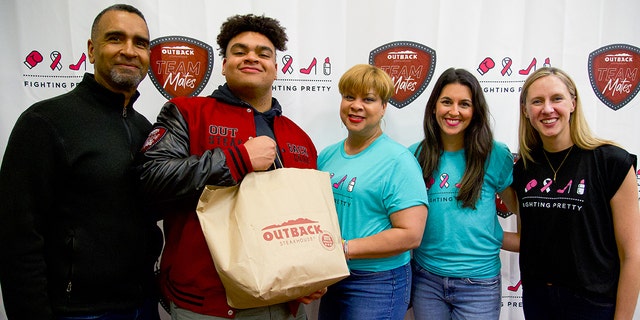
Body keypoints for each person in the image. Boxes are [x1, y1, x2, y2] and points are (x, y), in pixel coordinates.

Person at [135, 14, 324, 320]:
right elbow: (151, 179)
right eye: (240, 51)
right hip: (208, 307)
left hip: (286, 304)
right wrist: (236, 160)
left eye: (264, 53)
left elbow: (309, 219)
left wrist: (313, 274)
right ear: (223, 64)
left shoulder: (299, 137)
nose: (252, 57)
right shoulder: (186, 111)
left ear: (276, 68)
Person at [0, 4, 162, 320]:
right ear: (91, 48)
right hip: (77, 312)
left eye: (140, 43)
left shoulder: (146, 129)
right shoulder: (45, 122)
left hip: (143, 307)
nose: (129, 51)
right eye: (116, 39)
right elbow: (17, 236)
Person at [510, 66, 640, 319]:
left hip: (593, 305)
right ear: (526, 111)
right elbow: (529, 240)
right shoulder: (524, 168)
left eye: (556, 98)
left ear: (573, 103)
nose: (547, 109)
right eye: (537, 101)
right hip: (538, 302)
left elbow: (632, 255)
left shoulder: (611, 162)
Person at [317, 64, 428, 320]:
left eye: (368, 99)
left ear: (383, 107)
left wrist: (344, 248)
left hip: (377, 282)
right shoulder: (327, 155)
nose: (356, 106)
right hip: (332, 274)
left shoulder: (398, 161)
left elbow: (411, 234)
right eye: (349, 97)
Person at [409, 67, 517, 320]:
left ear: (475, 111)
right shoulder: (415, 155)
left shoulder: (495, 154)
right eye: (447, 101)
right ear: (434, 106)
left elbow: (521, 209)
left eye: (464, 104)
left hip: (479, 284)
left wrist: (498, 237)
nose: (454, 111)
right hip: (427, 281)